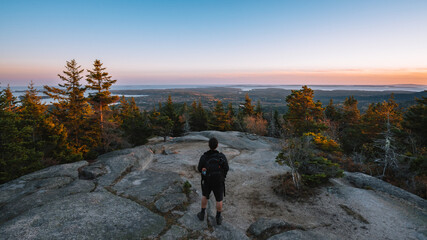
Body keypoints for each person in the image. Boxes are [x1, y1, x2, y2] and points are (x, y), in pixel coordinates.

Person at [197, 137, 229, 225]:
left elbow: (199, 169)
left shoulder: (204, 157)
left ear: (209, 145)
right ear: (217, 145)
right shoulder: (221, 156)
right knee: (219, 199)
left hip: (207, 180)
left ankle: (202, 214)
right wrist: (222, 176)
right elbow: (226, 168)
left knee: (205, 196)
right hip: (219, 181)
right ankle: (218, 218)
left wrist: (204, 173)